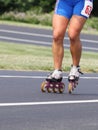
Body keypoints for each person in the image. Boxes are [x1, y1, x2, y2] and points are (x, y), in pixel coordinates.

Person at [46, 0, 93, 83]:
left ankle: (75, 68)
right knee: (57, 35)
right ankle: (57, 71)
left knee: (73, 34)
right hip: (64, 2)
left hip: (82, 2)